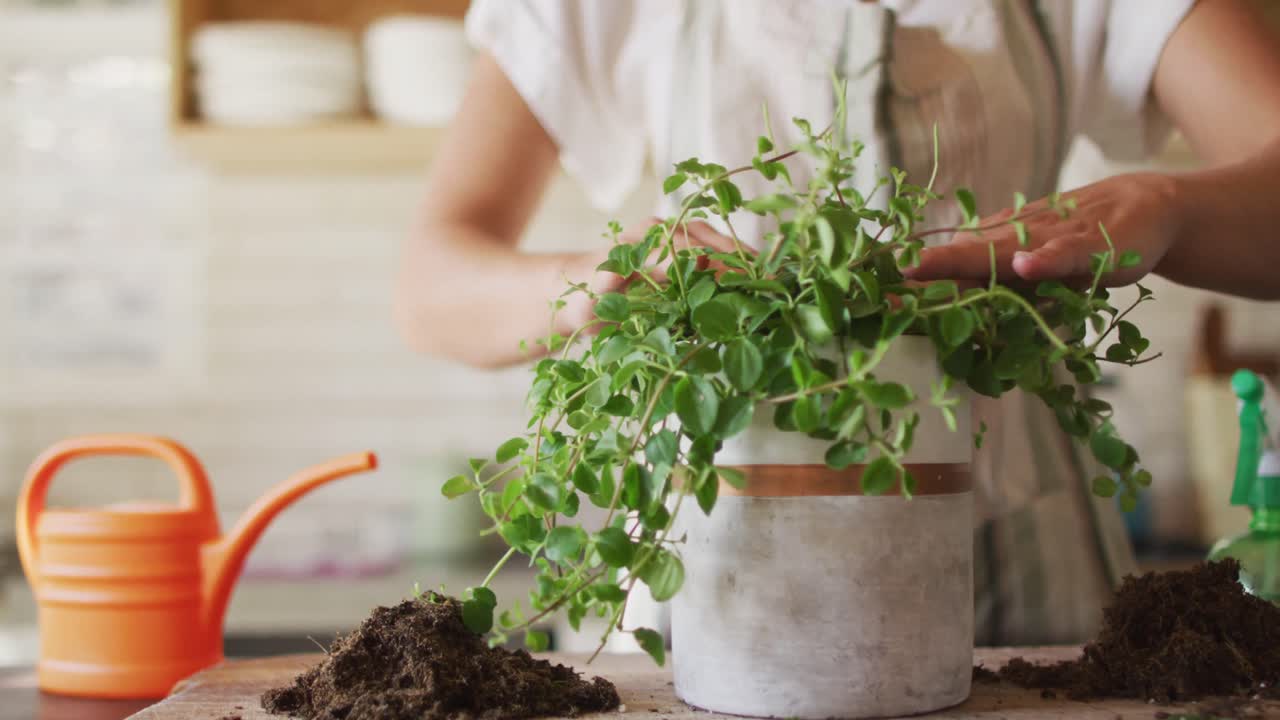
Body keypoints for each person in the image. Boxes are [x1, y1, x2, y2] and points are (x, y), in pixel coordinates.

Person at [395, 0, 1280, 645]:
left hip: (1025, 565)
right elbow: (430, 285)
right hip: (713, 572)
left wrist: (1170, 207)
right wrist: (593, 281)